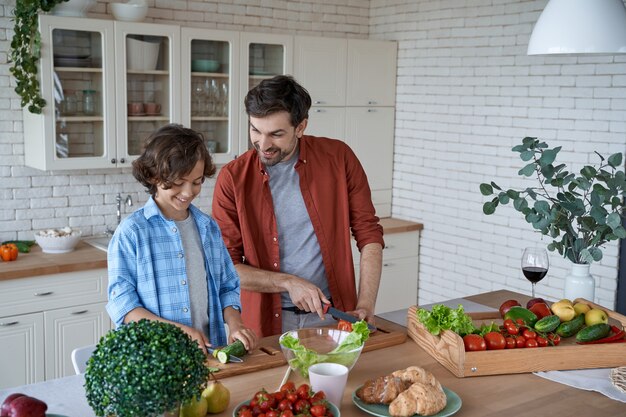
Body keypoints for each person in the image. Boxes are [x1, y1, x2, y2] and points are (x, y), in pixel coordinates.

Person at [212, 75, 384, 337]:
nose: (264, 144)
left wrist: (366, 303)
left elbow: (369, 233)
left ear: (301, 127)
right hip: (265, 324)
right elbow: (226, 267)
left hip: (333, 316)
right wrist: (288, 282)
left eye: (276, 134)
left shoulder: (339, 158)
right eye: (255, 130)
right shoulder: (233, 178)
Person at [106, 123, 258, 353]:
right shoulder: (132, 233)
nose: (188, 192)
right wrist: (176, 330)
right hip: (155, 361)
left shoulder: (208, 227)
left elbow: (227, 287)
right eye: (178, 183)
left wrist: (235, 323)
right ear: (153, 176)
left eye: (196, 182)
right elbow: (124, 307)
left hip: (208, 356)